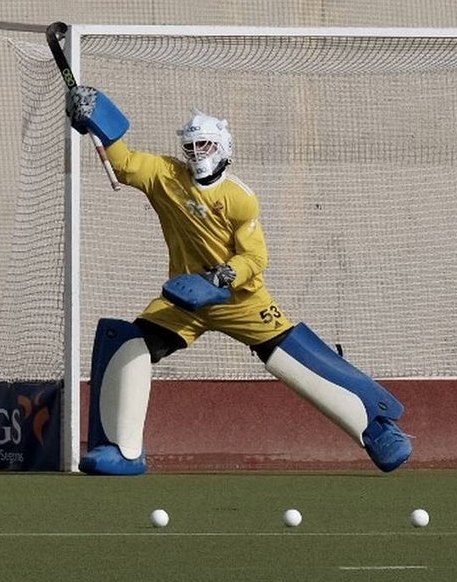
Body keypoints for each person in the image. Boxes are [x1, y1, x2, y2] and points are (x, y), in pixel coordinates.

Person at [65, 85, 412, 476]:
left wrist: (226, 274)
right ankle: (122, 450)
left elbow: (255, 256)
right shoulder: (165, 176)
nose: (198, 155)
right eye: (192, 147)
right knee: (129, 342)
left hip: (240, 300)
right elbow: (125, 163)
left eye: (207, 146)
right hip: (185, 299)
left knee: (291, 357)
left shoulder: (240, 198)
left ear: (224, 149)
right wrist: (96, 118)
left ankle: (377, 427)